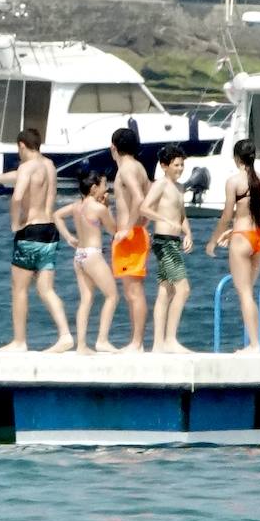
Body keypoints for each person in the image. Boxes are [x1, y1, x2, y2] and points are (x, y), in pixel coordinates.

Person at [0, 129, 73, 353]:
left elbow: (17, 196)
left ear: (21, 145)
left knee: (19, 288)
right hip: (50, 231)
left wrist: (14, 223)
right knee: (45, 288)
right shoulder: (49, 165)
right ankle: (65, 334)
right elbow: (23, 176)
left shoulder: (26, 167)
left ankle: (19, 341)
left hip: (30, 231)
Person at [206, 138, 260, 354]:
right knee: (249, 293)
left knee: (244, 294)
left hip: (242, 237)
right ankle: (256, 341)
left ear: (236, 158)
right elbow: (256, 213)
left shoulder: (234, 181)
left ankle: (254, 345)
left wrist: (213, 240)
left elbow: (227, 216)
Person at [54, 171, 120, 354]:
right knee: (112, 296)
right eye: (104, 185)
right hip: (92, 255)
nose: (106, 188)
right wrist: (108, 207)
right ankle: (102, 340)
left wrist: (68, 237)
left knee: (86, 299)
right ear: (94, 188)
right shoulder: (98, 208)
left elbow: (57, 214)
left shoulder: (77, 206)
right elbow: (113, 229)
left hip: (79, 255)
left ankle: (81, 345)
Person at [140, 145, 193, 353]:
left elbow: (181, 215)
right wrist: (163, 219)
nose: (180, 168)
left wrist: (188, 233)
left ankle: (158, 345)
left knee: (166, 291)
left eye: (182, 165)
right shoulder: (160, 184)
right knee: (183, 289)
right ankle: (170, 340)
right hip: (163, 241)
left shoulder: (179, 188)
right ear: (164, 166)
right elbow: (144, 207)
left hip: (174, 241)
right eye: (176, 165)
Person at [109, 128, 152, 353]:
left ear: (114, 147)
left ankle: (137, 343)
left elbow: (139, 198)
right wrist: (142, 224)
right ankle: (136, 342)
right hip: (136, 233)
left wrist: (128, 228)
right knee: (131, 291)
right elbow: (149, 198)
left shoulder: (126, 169)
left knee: (133, 292)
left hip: (130, 236)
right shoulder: (139, 167)